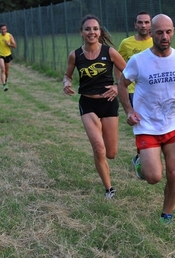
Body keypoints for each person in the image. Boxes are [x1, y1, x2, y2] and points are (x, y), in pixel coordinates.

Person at [117, 14, 175, 223]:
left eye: (168, 31)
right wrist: (128, 110)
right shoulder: (139, 60)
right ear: (151, 33)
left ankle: (166, 214)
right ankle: (140, 164)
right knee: (153, 177)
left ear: (173, 32)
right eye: (160, 32)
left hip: (174, 123)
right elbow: (122, 84)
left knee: (174, 173)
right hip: (147, 125)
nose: (164, 36)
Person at [63, 15, 126, 199]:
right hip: (88, 102)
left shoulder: (110, 52)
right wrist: (66, 83)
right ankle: (109, 189)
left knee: (111, 153)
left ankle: (106, 166)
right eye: (88, 29)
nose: (92, 32)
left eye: (95, 29)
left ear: (100, 32)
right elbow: (67, 75)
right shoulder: (75, 55)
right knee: (99, 148)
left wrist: (116, 86)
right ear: (81, 32)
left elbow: (129, 72)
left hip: (108, 103)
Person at [117, 11, 153, 175]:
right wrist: (120, 84)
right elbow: (117, 63)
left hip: (153, 91)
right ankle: (141, 156)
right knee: (140, 124)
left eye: (146, 22)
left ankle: (143, 154)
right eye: (140, 22)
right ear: (135, 25)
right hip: (133, 90)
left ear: (151, 24)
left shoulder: (156, 41)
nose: (143, 25)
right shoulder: (126, 43)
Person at [0, 23, 17, 91]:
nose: (3, 30)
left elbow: (15, 46)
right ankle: (4, 84)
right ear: (0, 30)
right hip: (0, 54)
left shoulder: (9, 36)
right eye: (2, 29)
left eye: (4, 29)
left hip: (8, 54)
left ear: (6, 29)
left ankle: (5, 80)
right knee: (3, 69)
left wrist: (9, 44)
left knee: (6, 71)